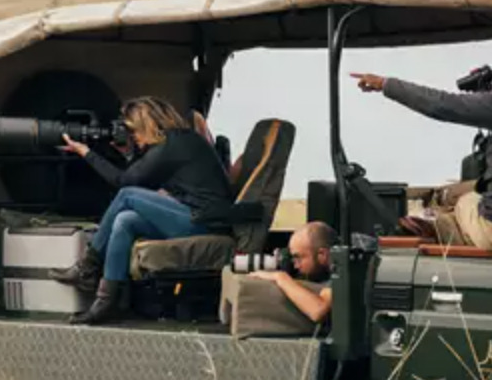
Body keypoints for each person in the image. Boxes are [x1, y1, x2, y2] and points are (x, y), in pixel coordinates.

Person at [351, 36, 492, 252]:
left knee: (465, 200)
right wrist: (489, 98)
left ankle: (435, 228)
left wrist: (386, 84)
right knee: (473, 193)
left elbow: (442, 105)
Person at [51, 96, 234, 324]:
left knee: (127, 196)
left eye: (134, 131)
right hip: (194, 216)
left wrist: (85, 152)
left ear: (147, 125)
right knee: (125, 221)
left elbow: (125, 182)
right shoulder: (178, 143)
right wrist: (128, 154)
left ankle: (87, 266)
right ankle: (106, 303)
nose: (133, 137)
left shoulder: (175, 144)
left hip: (204, 220)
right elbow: (141, 178)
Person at [247, 221, 338, 325]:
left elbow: (317, 310)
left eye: (298, 257)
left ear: (322, 254)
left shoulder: (342, 271)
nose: (295, 266)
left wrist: (281, 278)